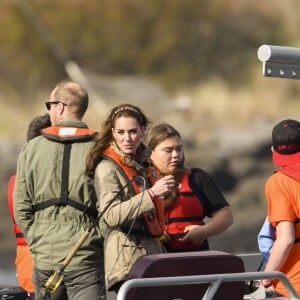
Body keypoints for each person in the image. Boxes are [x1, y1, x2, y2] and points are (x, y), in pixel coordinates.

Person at [13, 81, 105, 300]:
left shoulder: (31, 148)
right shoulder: (100, 148)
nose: (49, 110)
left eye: (50, 105)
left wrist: (36, 240)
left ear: (61, 107)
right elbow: (108, 204)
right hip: (86, 255)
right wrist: (96, 239)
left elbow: (21, 207)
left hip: (44, 254)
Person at [86, 104, 175, 293]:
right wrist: (151, 194)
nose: (127, 139)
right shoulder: (107, 168)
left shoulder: (144, 162)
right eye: (121, 132)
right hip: (126, 258)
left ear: (143, 131)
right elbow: (110, 215)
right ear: (112, 133)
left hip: (152, 252)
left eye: (133, 132)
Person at [145, 123, 233, 252]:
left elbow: (225, 215)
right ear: (150, 153)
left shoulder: (198, 178)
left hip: (195, 258)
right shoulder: (141, 180)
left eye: (179, 149)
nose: (175, 155)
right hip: (154, 259)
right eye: (168, 150)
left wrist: (204, 231)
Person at [261, 119, 300, 297]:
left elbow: (285, 239)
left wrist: (267, 277)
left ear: (273, 150)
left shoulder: (279, 182)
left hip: (293, 286)